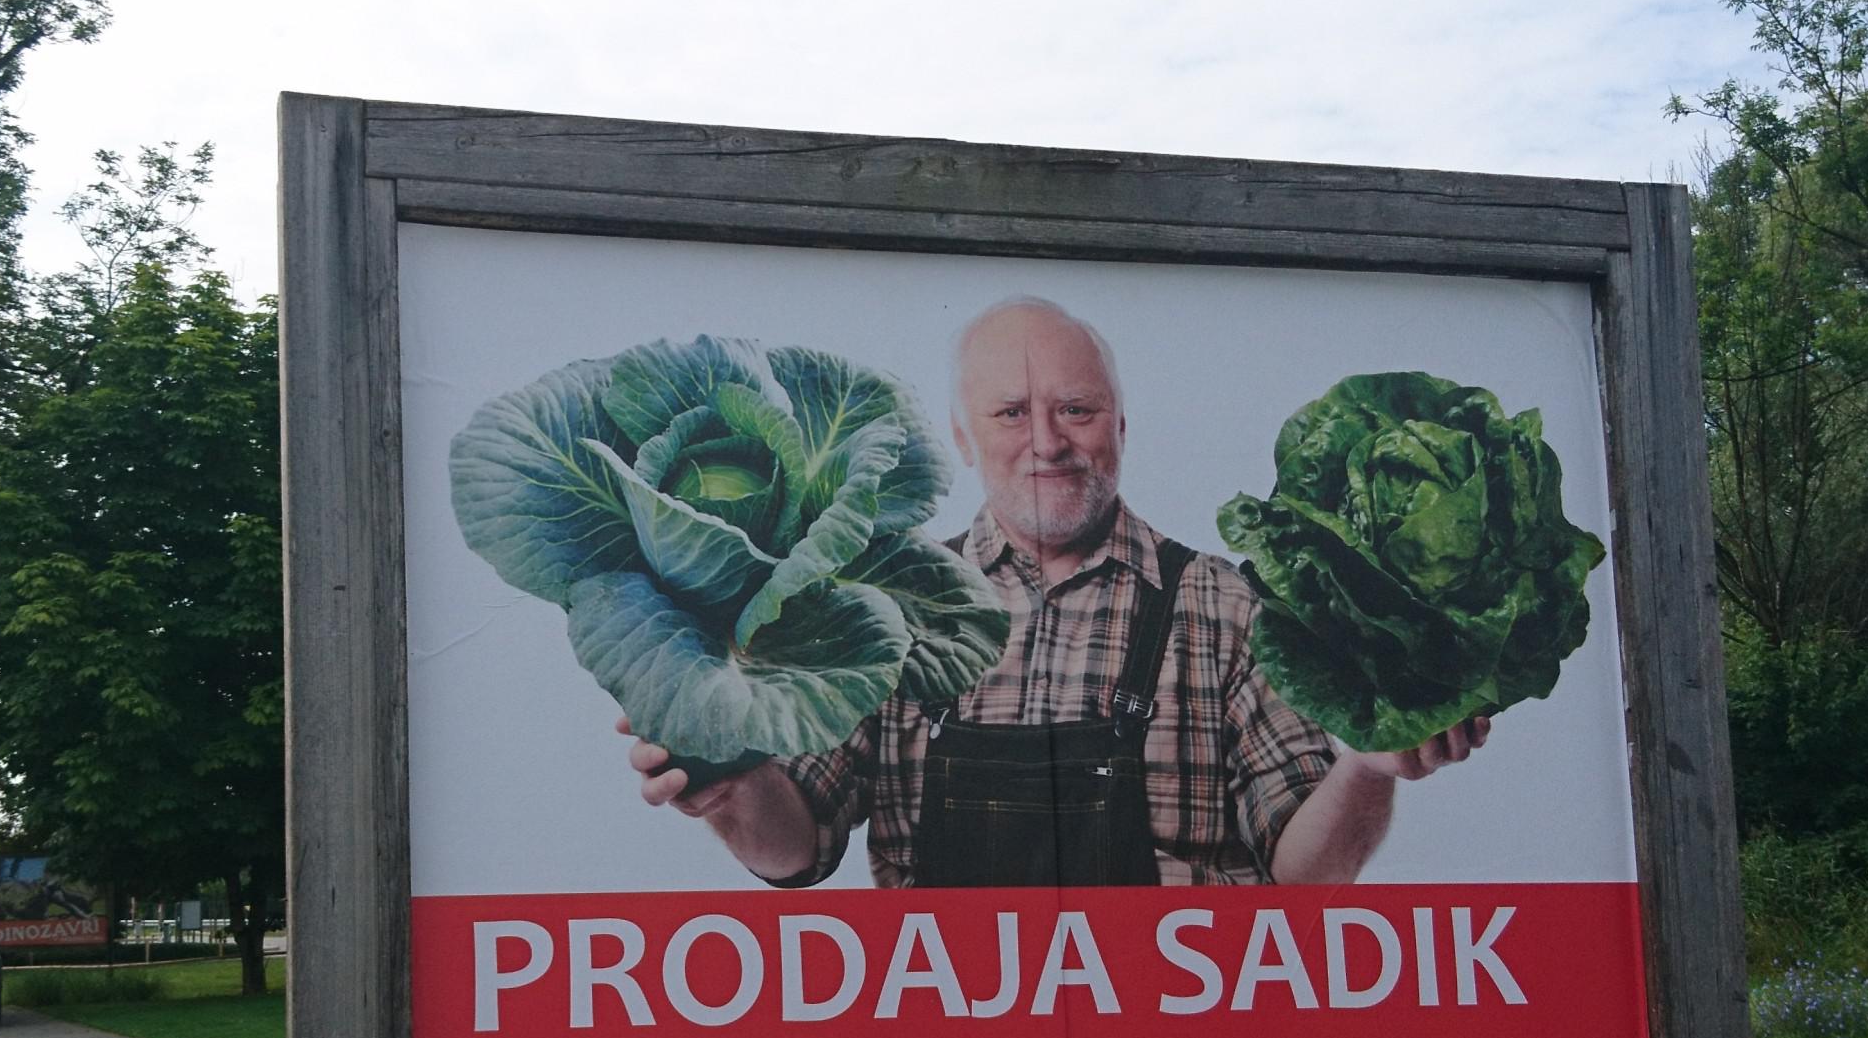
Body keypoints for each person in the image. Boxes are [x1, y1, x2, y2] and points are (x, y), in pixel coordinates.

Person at [622, 296, 1486, 886]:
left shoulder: (1228, 609)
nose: (1046, 441)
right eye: (1010, 413)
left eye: (1075, 409)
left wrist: (1367, 767)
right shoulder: (883, 608)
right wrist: (732, 787)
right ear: (964, 437)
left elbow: (1305, 878)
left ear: (1119, 424)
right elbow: (798, 846)